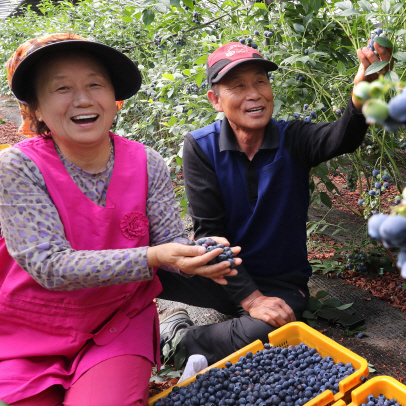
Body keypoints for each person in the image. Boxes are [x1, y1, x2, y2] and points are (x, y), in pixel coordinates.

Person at [0, 33, 239, 406]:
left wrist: (197, 257)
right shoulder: (18, 167)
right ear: (37, 109)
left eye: (95, 84)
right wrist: (154, 257)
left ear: (115, 100)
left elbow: (170, 243)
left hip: (116, 323)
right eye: (61, 88)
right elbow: (49, 264)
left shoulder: (146, 163)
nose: (82, 99)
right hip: (27, 331)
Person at [157, 40, 392, 365]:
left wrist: (363, 94)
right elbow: (209, 232)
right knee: (137, 268)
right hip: (219, 274)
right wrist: (249, 297)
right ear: (216, 100)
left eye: (260, 82)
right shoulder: (201, 147)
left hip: (277, 281)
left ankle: (174, 339)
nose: (254, 93)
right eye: (238, 86)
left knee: (273, 328)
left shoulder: (294, 139)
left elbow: (344, 136)